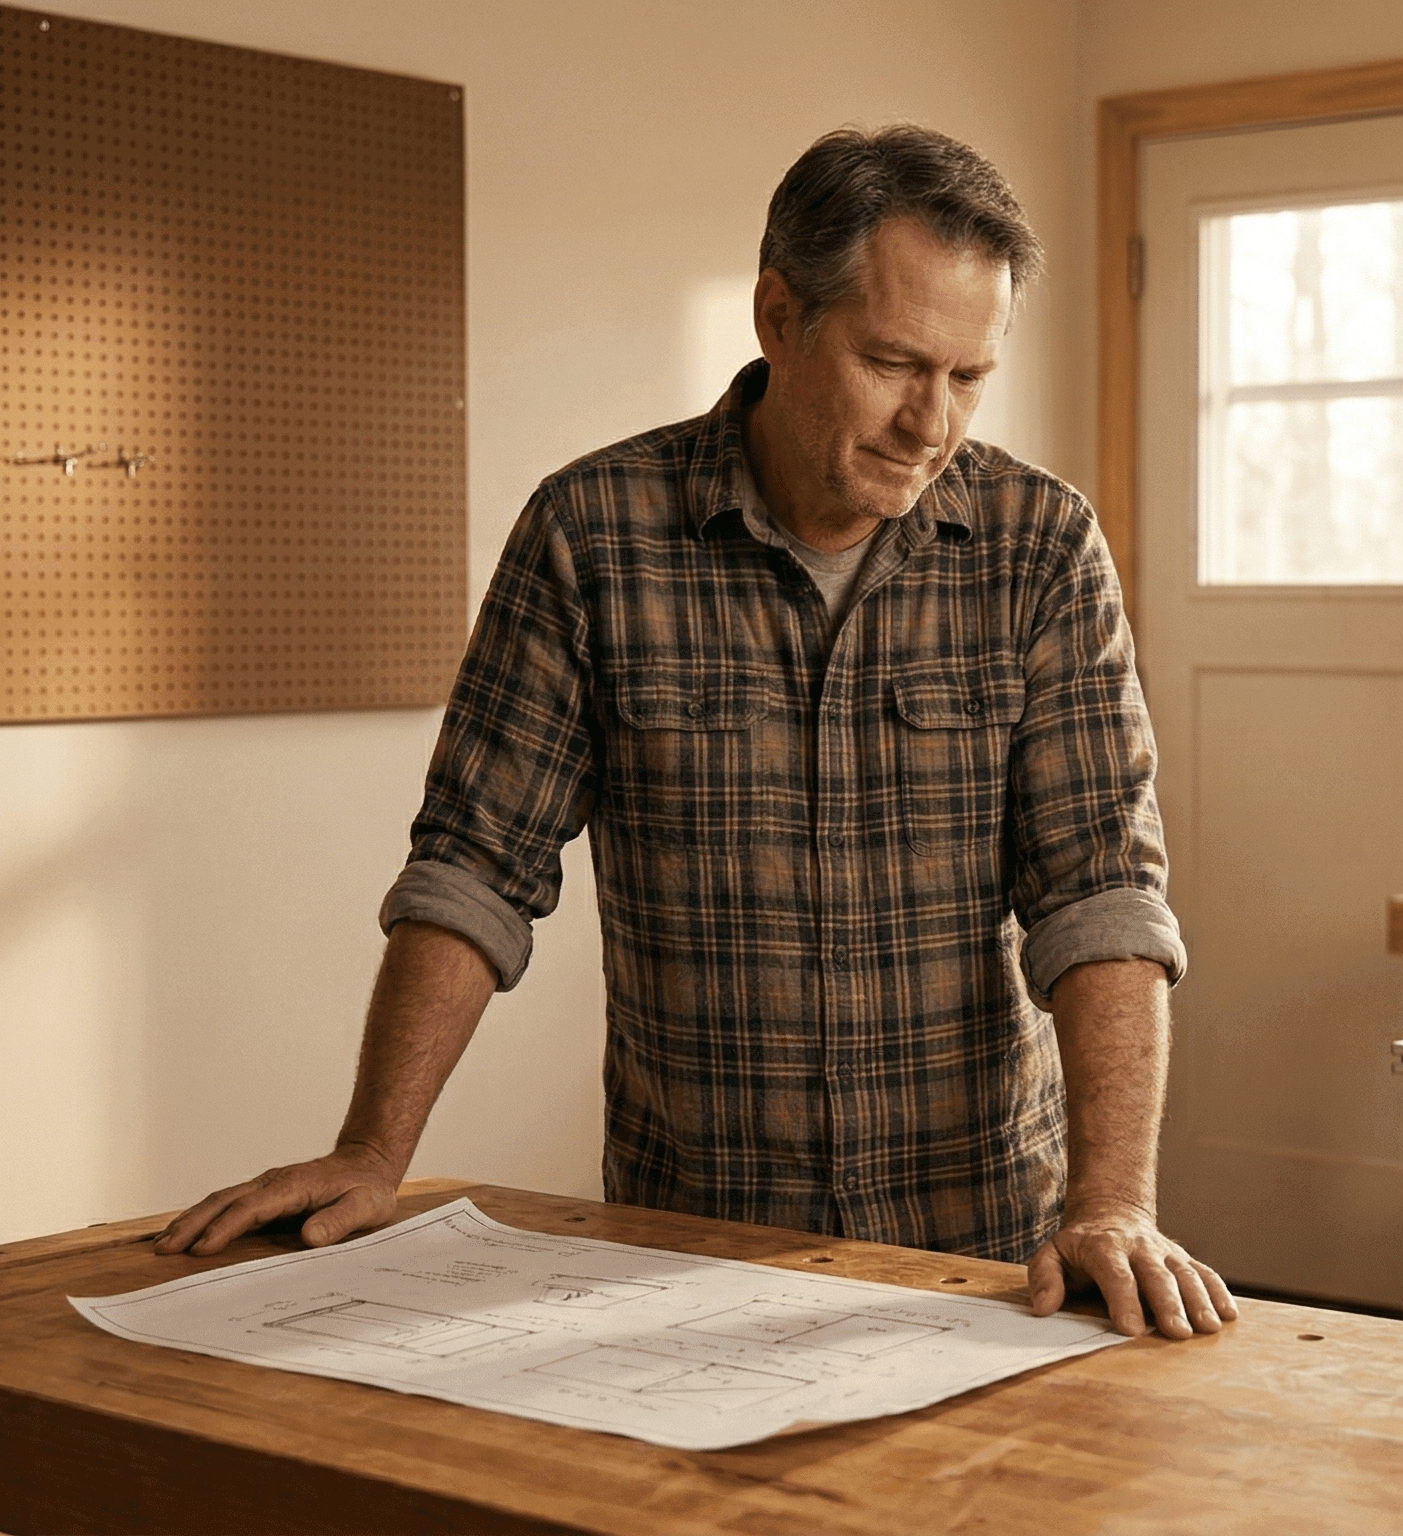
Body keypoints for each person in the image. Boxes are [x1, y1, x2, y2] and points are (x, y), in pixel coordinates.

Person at [158, 125, 1235, 1341]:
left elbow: (1100, 897)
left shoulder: (1040, 546)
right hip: (691, 1245)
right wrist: (373, 1150)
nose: (931, 422)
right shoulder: (594, 534)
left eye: (967, 376)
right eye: (893, 362)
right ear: (779, 314)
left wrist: (1113, 1203)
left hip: (987, 1246)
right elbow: (473, 867)